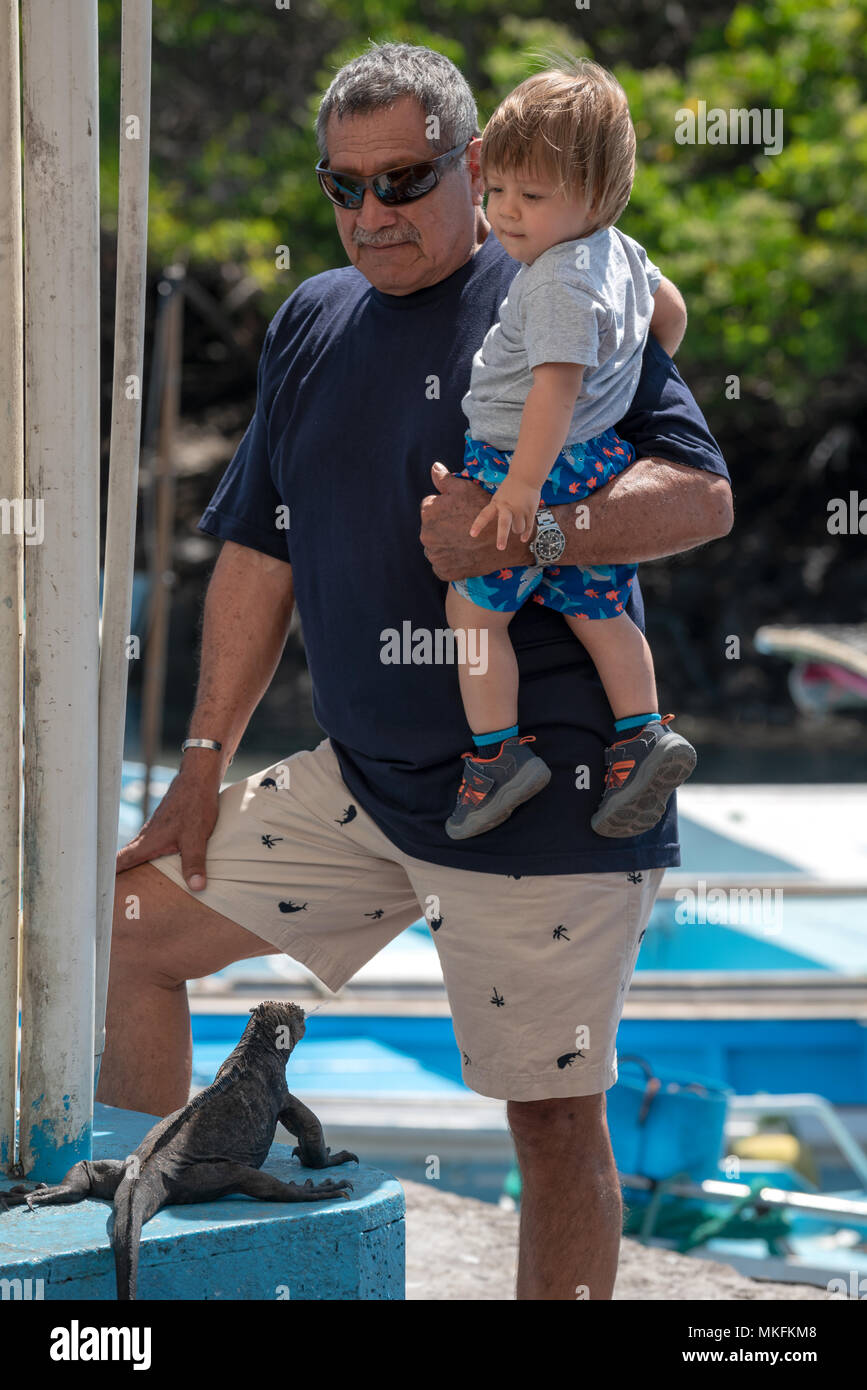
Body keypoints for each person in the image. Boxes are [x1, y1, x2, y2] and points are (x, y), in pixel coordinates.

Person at [100, 42, 733, 1300]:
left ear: (477, 164)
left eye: (404, 180)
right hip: (370, 783)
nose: (372, 214)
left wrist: (534, 529)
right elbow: (257, 554)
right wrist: (201, 761)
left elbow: (703, 495)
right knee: (125, 935)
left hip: (542, 800)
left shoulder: (562, 284)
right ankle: (136, 1284)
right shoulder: (312, 317)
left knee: (551, 1123)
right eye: (344, 189)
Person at [444, 61, 696, 843]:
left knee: (470, 613)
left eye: (534, 197)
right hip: (594, 461)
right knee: (598, 609)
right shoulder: (619, 253)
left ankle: (496, 758)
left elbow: (551, 389)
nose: (507, 214)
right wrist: (626, 385)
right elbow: (670, 312)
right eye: (499, 192)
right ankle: (642, 732)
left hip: (526, 463)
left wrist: (519, 490)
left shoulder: (555, 281)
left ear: (598, 196)